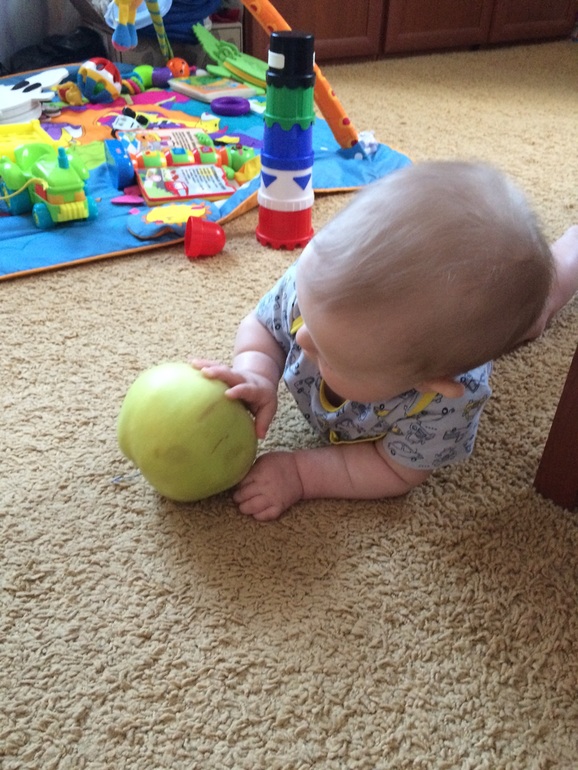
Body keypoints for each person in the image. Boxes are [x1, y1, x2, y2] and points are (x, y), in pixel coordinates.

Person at [193, 160, 578, 521]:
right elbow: (262, 326)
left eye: (331, 356)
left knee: (536, 311)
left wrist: (301, 473)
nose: (302, 338)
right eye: (306, 318)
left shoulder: (442, 406)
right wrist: (256, 373)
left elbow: (393, 470)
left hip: (474, 331)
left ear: (427, 383)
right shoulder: (320, 287)